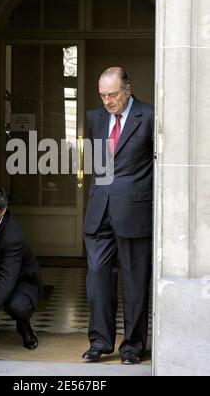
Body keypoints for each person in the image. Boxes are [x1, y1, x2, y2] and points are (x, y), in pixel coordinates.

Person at [82, 67, 154, 365]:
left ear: (128, 89)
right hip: (100, 211)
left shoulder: (150, 116)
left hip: (134, 211)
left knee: (135, 281)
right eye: (102, 95)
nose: (107, 100)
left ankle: (133, 347)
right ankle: (99, 342)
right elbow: (95, 163)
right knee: (98, 276)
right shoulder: (94, 117)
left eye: (112, 94)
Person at [0, 186, 42, 350]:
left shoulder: (12, 237)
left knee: (18, 306)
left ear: (3, 210)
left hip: (19, 280)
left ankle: (24, 326)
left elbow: (5, 283)